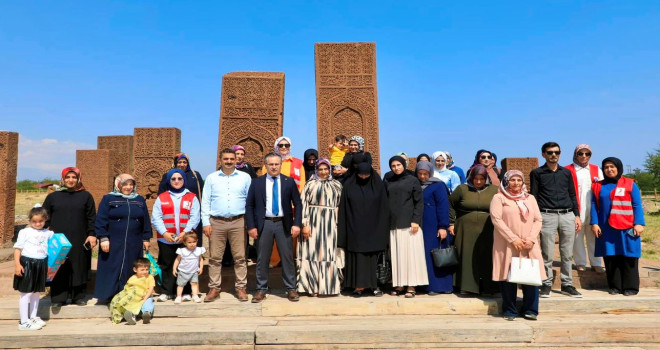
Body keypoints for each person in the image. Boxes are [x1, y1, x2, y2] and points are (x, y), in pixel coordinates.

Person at [246, 153, 303, 303]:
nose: (274, 167)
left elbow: (298, 204)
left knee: (287, 257)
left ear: (280, 165)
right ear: (266, 166)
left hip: (283, 224)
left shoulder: (288, 181)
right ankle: (261, 289)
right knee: (262, 258)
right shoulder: (257, 182)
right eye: (270, 164)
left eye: (276, 164)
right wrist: (251, 226)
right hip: (264, 224)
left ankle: (291, 288)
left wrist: (297, 224)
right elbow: (249, 205)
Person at [490, 170, 545, 321]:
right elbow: (496, 219)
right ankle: (510, 310)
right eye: (512, 180)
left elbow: (538, 219)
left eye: (519, 180)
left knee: (531, 276)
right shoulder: (499, 197)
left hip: (528, 243)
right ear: (507, 181)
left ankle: (531, 310)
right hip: (507, 243)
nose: (516, 183)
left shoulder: (530, 198)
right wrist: (513, 238)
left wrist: (532, 238)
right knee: (508, 277)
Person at [530, 141, 582, 298]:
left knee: (567, 253)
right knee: (547, 253)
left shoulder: (566, 173)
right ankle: (546, 283)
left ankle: (567, 284)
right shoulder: (537, 173)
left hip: (567, 215)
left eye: (557, 152)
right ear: (544, 154)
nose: (554, 155)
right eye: (550, 152)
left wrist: (577, 215)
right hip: (547, 214)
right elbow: (534, 196)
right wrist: (536, 217)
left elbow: (572, 194)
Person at [201, 148, 251, 302]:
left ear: (236, 160)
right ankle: (214, 288)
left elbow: (250, 202)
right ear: (220, 160)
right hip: (217, 222)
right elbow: (206, 201)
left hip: (238, 221)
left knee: (240, 257)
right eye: (226, 159)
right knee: (215, 258)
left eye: (231, 159)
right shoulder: (211, 178)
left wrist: (250, 222)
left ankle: (241, 287)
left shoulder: (245, 177)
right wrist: (205, 222)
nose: (229, 161)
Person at [42, 167, 96, 308]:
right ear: (63, 179)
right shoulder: (53, 197)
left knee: (79, 265)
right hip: (58, 239)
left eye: (74, 177)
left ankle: (78, 296)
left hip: (80, 238)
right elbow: (45, 217)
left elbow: (91, 217)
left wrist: (92, 234)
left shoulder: (86, 196)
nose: (71, 180)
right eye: (68, 177)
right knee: (59, 265)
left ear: (78, 179)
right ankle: (58, 297)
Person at [591, 157, 645, 296]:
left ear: (618, 168)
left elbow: (637, 205)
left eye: (612, 166)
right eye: (606, 167)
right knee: (610, 256)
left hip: (627, 227)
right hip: (606, 227)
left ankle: (631, 287)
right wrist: (595, 223)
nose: (609, 169)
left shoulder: (630, 183)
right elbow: (593, 205)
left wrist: (639, 223)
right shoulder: (598, 186)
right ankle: (615, 286)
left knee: (629, 255)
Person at [95, 174, 152, 303]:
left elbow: (145, 220)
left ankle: (128, 293)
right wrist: (103, 237)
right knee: (111, 265)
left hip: (134, 240)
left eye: (131, 184)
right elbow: (101, 219)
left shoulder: (139, 199)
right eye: (125, 184)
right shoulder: (108, 198)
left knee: (130, 265)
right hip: (113, 240)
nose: (128, 187)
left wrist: (146, 238)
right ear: (118, 185)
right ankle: (108, 295)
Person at [338, 162, 390, 297]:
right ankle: (358, 286)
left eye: (366, 174)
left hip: (374, 228)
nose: (364, 177)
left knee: (373, 258)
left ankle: (375, 286)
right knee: (357, 258)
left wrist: (382, 228)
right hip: (354, 227)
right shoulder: (349, 185)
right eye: (361, 174)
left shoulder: (378, 185)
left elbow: (384, 208)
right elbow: (344, 207)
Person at [151, 169, 201, 302]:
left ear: (184, 180)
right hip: (166, 238)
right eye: (173, 179)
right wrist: (165, 233)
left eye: (180, 178)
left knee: (186, 265)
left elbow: (194, 217)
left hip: (185, 239)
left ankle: (185, 292)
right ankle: (167, 291)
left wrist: (185, 233)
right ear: (169, 181)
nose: (177, 181)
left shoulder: (191, 196)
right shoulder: (162, 197)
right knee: (167, 264)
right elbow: (156, 217)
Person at [449, 164, 499, 295]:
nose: (478, 181)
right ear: (471, 178)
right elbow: (450, 204)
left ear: (486, 179)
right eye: (475, 178)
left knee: (487, 256)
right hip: (465, 228)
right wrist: (451, 222)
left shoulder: (495, 190)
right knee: (466, 256)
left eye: (481, 179)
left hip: (488, 228)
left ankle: (489, 287)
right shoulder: (462, 189)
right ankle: (467, 287)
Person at [297, 158, 343, 296]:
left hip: (330, 223)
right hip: (313, 222)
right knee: (312, 252)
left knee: (328, 253)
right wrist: (305, 224)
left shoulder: (336, 185)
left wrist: (338, 223)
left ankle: (328, 287)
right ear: (316, 170)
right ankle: (312, 287)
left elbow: (340, 205)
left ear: (330, 170)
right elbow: (303, 204)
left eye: (326, 169)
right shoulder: (310, 184)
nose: (323, 172)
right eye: (320, 169)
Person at [384, 156, 426, 298]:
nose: (396, 168)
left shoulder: (412, 180)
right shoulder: (389, 180)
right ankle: (399, 284)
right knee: (397, 256)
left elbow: (419, 202)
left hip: (409, 224)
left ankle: (411, 286)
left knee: (410, 256)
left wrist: (416, 221)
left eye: (398, 165)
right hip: (393, 224)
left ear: (404, 165)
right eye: (393, 166)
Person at [261, 136, 305, 267]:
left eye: (286, 145)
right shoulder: (270, 163)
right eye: (281, 145)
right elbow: (265, 182)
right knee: (274, 233)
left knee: (293, 233)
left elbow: (302, 183)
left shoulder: (298, 162)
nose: (284, 148)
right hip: (275, 204)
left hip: (292, 204)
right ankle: (275, 260)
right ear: (277, 147)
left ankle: (291, 258)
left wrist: (297, 200)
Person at [565, 144, 605, 273]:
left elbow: (601, 188)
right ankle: (580, 262)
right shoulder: (568, 170)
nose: (584, 156)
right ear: (575, 154)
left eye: (587, 154)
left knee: (593, 235)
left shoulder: (596, 169)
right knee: (577, 236)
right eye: (580, 153)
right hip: (576, 207)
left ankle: (596, 262)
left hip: (593, 206)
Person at [416, 161, 453, 294]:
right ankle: (426, 285)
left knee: (436, 254)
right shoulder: (416, 185)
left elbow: (443, 206)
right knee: (424, 254)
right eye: (420, 173)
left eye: (425, 174)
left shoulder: (438, 185)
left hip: (434, 224)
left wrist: (443, 226)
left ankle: (440, 286)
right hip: (421, 224)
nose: (422, 177)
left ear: (430, 172)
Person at [14, 206, 53, 330]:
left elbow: (55, 249)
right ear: (30, 220)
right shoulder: (24, 232)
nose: (37, 224)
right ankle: (24, 322)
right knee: (26, 293)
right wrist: (17, 264)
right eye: (34, 221)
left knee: (36, 292)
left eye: (40, 221)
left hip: (41, 264)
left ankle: (33, 317)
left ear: (45, 219)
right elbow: (18, 249)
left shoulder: (49, 233)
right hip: (27, 264)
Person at [157, 153, 205, 247]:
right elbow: (161, 193)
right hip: (173, 211)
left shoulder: (195, 175)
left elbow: (202, 192)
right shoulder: (168, 175)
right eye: (179, 162)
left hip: (192, 211)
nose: (182, 164)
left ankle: (195, 258)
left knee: (193, 237)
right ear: (175, 163)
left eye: (184, 162)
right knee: (174, 240)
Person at [109, 258, 155, 325]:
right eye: (142, 270)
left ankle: (146, 314)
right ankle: (131, 317)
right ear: (135, 270)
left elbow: (151, 289)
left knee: (148, 302)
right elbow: (128, 288)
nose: (145, 272)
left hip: (146, 296)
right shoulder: (133, 278)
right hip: (135, 297)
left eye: (147, 269)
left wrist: (145, 298)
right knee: (131, 304)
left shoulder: (150, 277)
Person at [173, 233, 205, 303]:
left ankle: (195, 295)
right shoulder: (182, 251)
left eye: (194, 242)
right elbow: (177, 260)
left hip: (194, 271)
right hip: (183, 271)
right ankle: (178, 296)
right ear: (185, 243)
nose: (192, 244)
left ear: (197, 241)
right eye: (189, 242)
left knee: (194, 283)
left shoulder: (198, 250)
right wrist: (174, 268)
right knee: (180, 285)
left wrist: (201, 267)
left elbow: (201, 259)